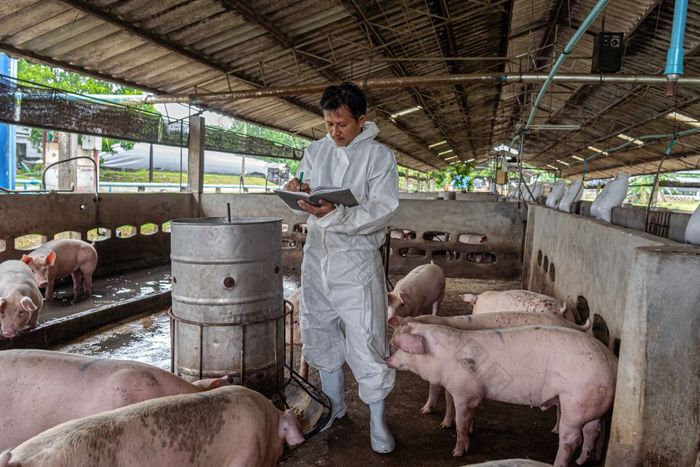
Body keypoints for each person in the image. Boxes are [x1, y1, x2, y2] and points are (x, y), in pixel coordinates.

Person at [284, 82, 399, 453]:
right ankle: (334, 408)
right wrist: (297, 192)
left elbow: (383, 209)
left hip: (356, 261)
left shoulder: (379, 158)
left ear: (361, 120)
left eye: (342, 125)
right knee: (319, 331)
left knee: (365, 338)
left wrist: (339, 213)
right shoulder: (315, 151)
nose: (333, 132)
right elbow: (304, 191)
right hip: (317, 258)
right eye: (328, 124)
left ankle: (378, 421)